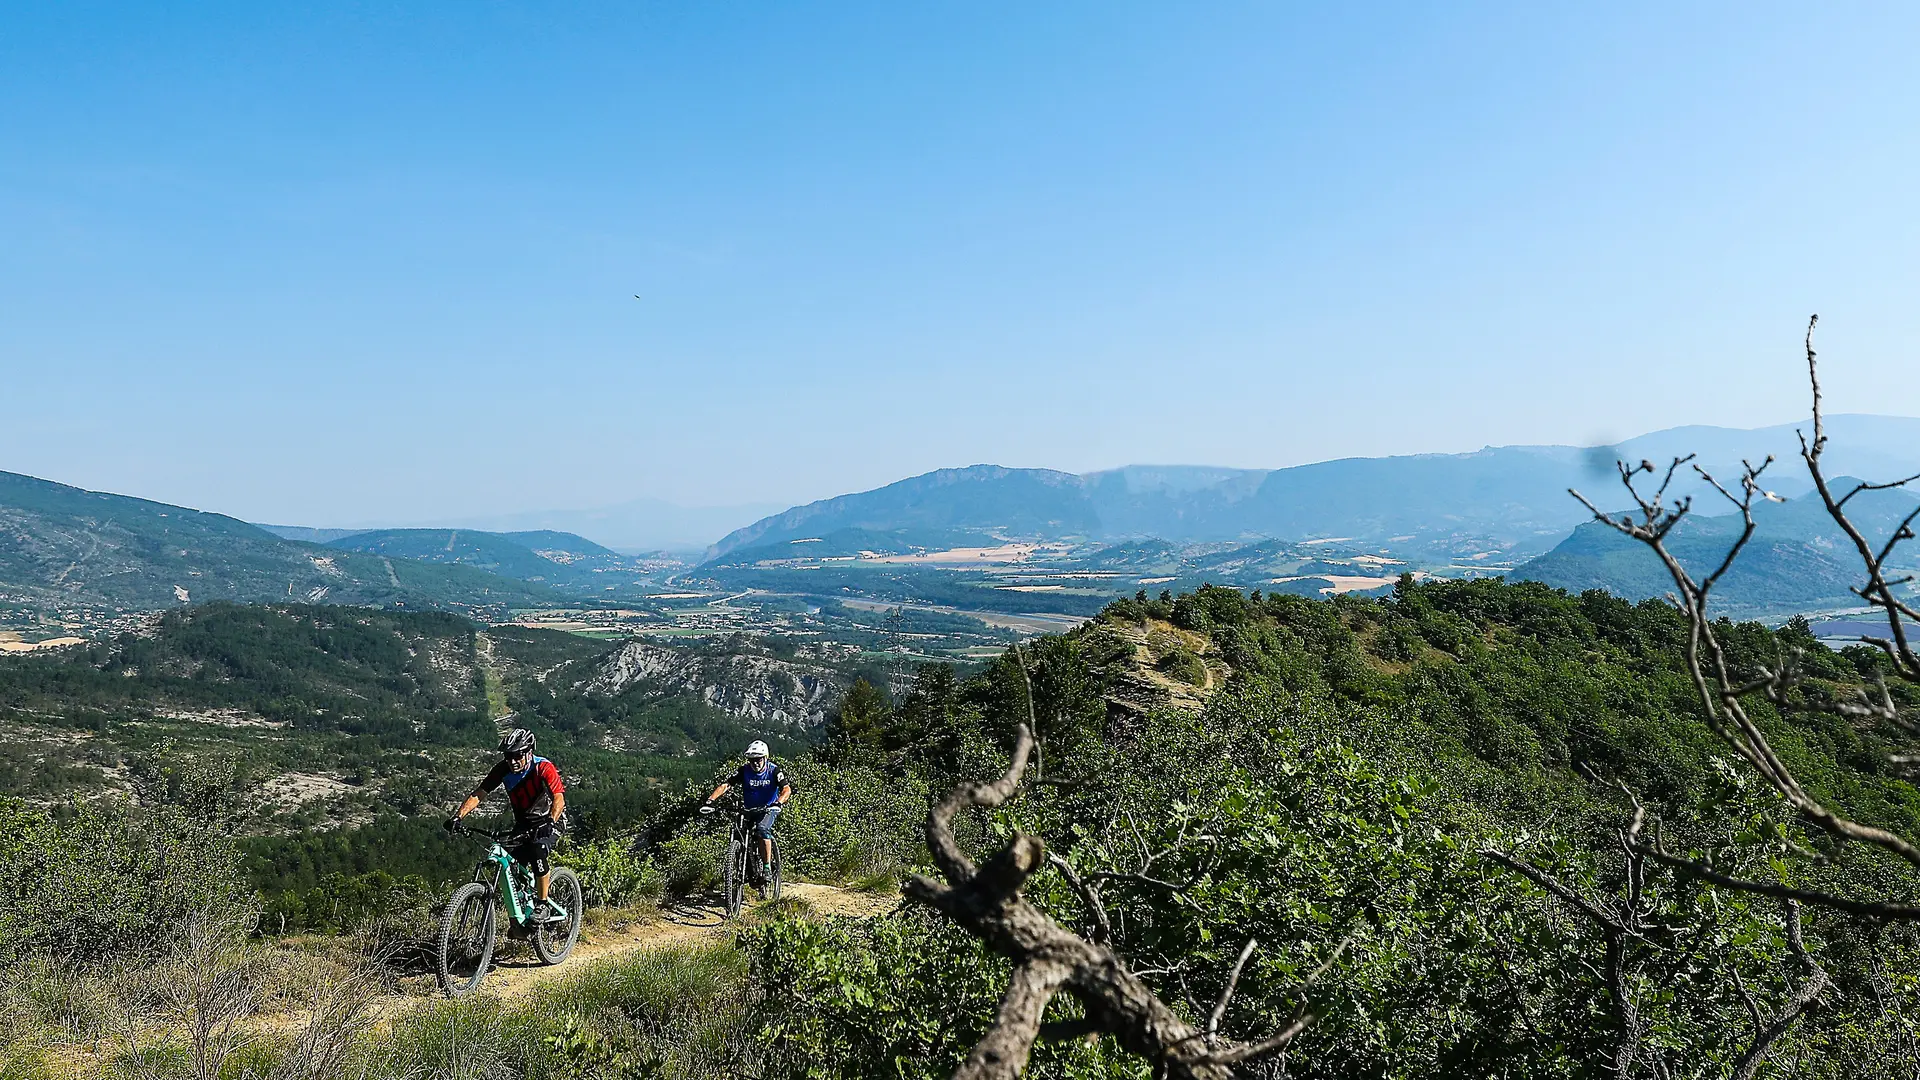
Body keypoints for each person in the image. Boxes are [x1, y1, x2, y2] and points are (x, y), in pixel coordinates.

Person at [447, 727, 567, 923]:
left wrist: (550, 821)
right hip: (524, 824)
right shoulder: (503, 770)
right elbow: (480, 793)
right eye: (508, 756)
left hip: (550, 820)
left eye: (517, 756)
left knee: (538, 849)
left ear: (529, 752)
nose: (512, 761)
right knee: (507, 859)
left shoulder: (543, 767)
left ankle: (543, 904)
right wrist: (458, 817)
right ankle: (522, 911)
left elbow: (559, 799)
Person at [701, 739, 791, 884]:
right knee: (740, 833)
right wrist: (710, 801)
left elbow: (786, 789)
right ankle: (745, 869)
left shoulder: (774, 770)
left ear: (765, 758)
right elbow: (726, 784)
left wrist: (778, 802)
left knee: (762, 830)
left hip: (769, 808)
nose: (755, 763)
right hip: (749, 809)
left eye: (758, 759)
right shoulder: (744, 770)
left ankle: (767, 867)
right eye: (752, 760)